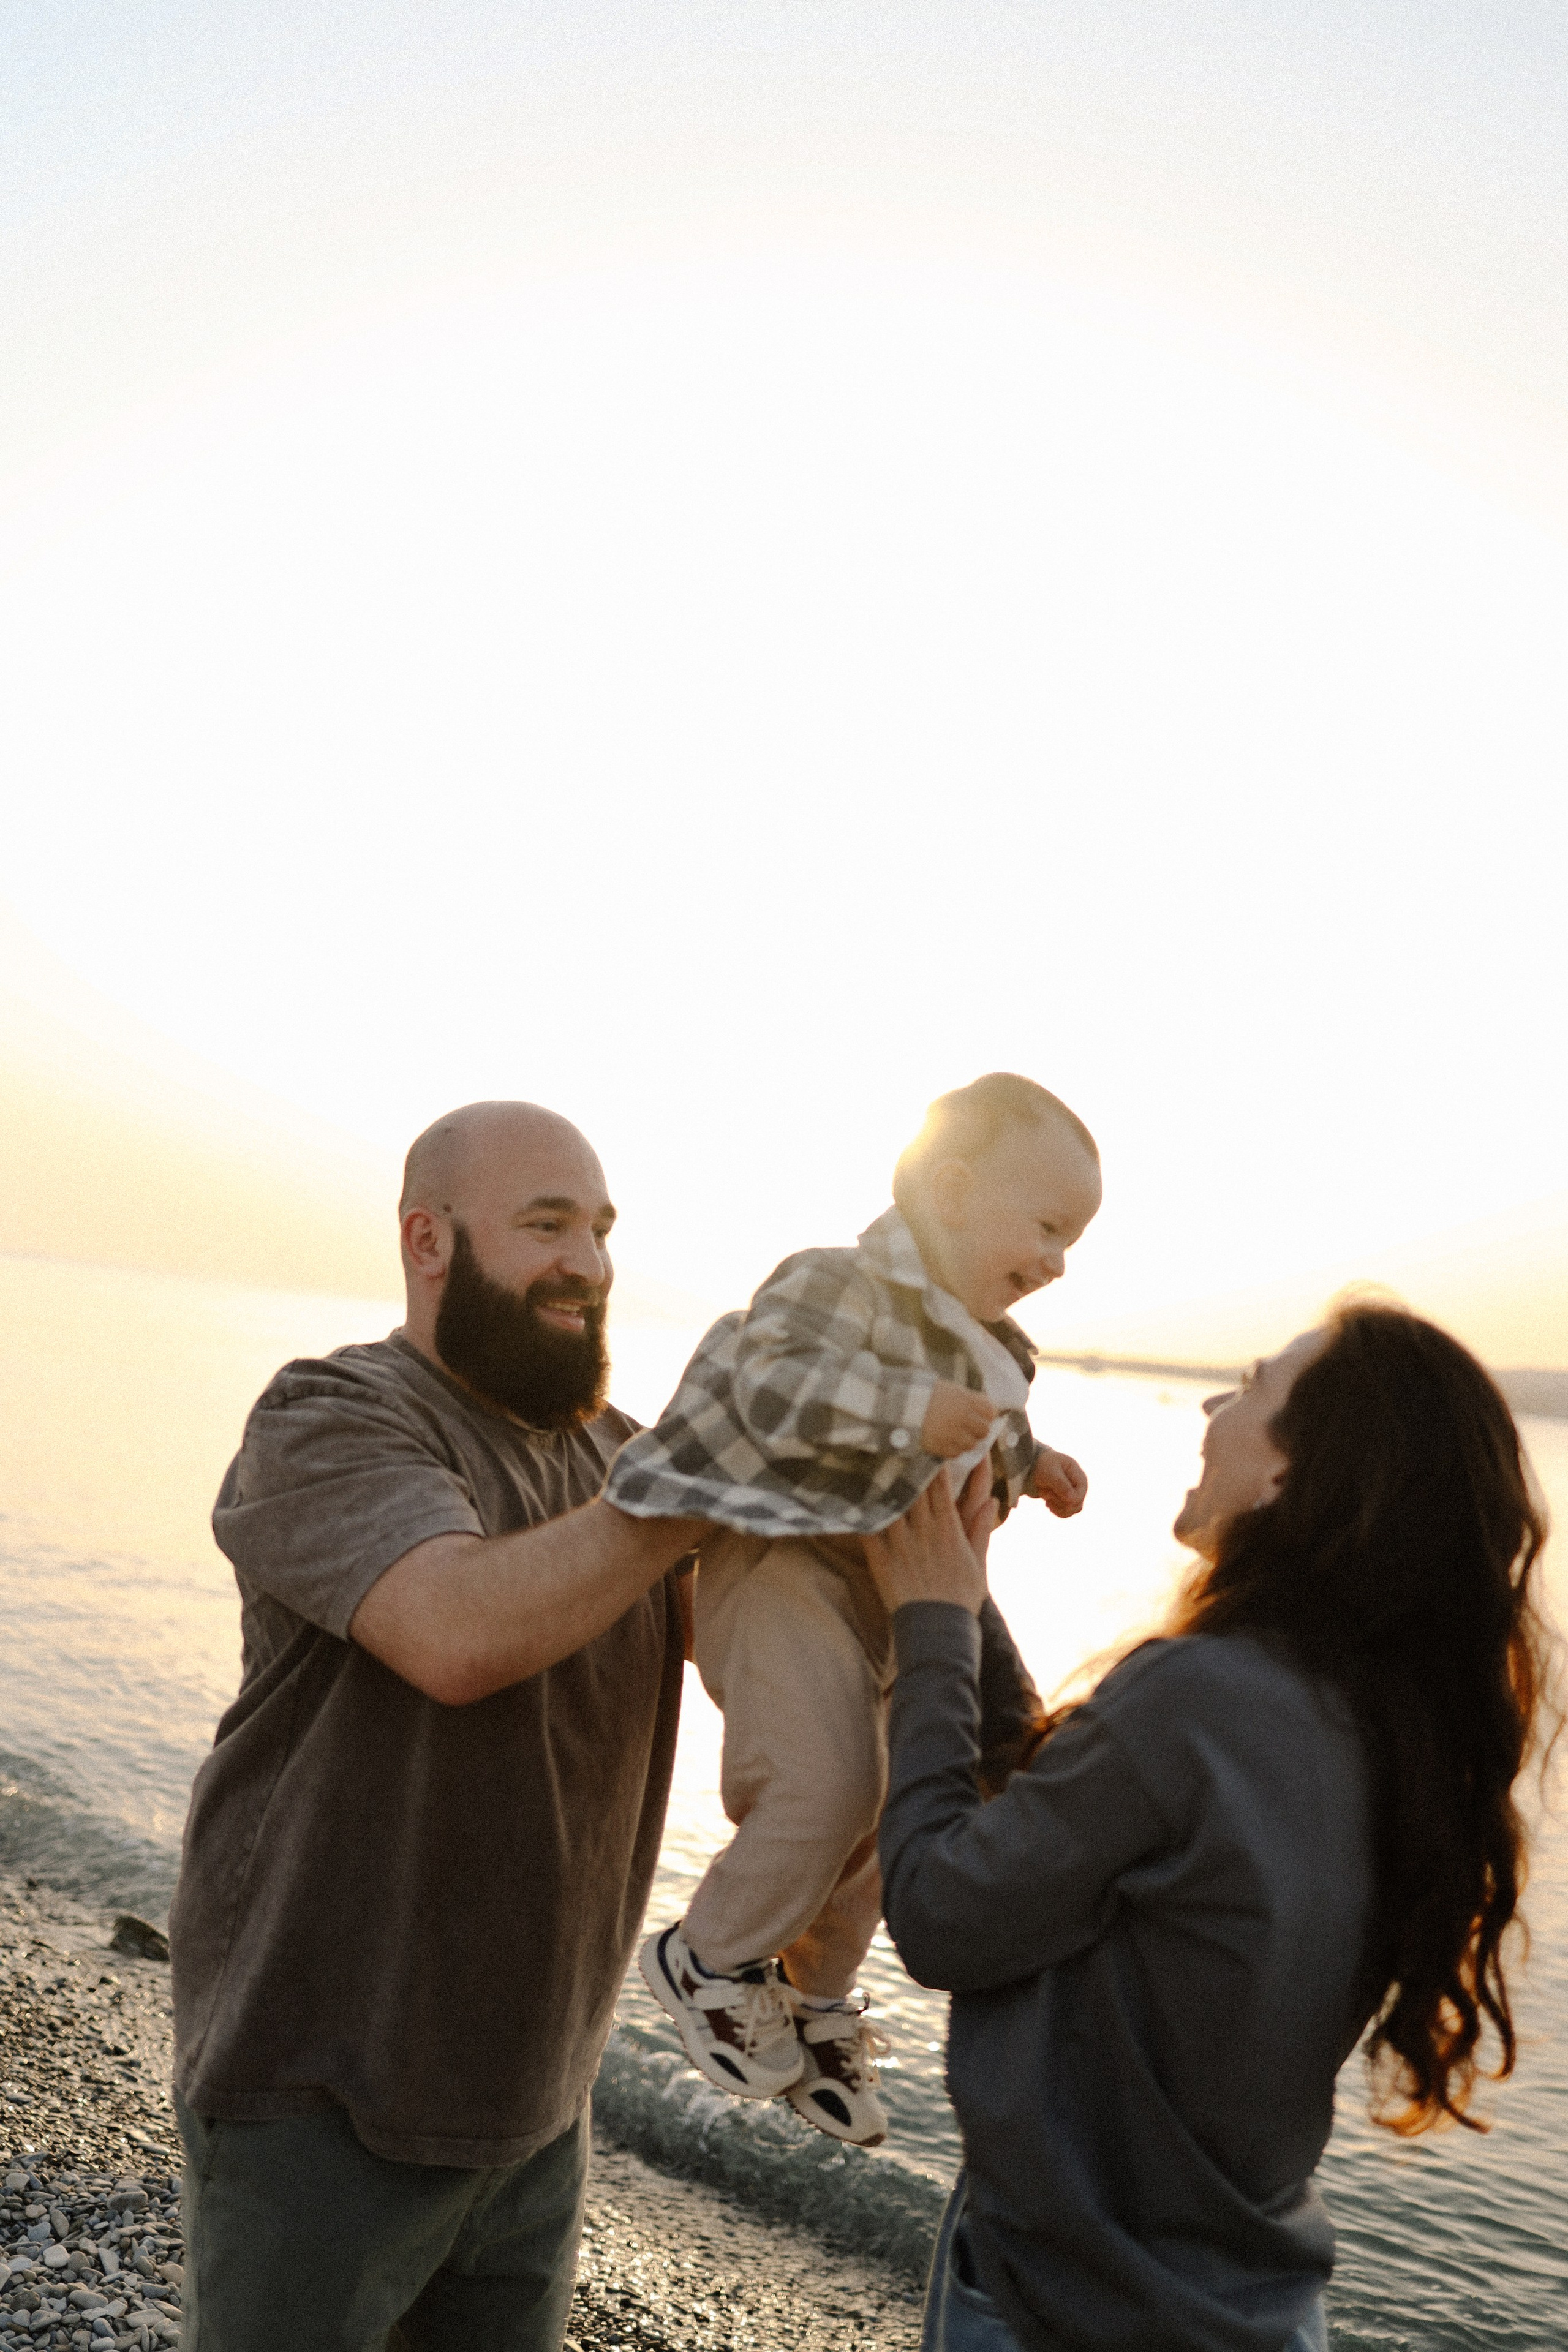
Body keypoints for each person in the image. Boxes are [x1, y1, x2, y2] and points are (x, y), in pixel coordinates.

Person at [865, 1303, 1558, 2352]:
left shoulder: (1195, 1695)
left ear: (1291, 1476)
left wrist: (929, 1637)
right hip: (1253, 2311)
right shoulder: (1392, 1734)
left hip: (1071, 2308)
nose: (1210, 1403)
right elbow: (1071, 1805)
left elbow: (941, 1916)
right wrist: (962, 1606)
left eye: (1252, 1386)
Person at [168, 1101, 705, 2352]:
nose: (589, 1262)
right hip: (320, 2101)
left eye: (601, 1229)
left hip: (533, 2112)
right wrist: (699, 1492)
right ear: (428, 1241)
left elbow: (756, 1662)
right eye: (545, 1224)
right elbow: (453, 1634)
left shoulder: (625, 1466)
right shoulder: (330, 1416)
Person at [606, 1074, 1102, 2146]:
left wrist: (1036, 1461)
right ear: (957, 1189)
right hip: (779, 1563)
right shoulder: (835, 1284)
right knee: (823, 1779)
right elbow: (772, 1386)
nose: (1059, 1262)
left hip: (886, 1592)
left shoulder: (1002, 1349)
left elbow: (987, 1441)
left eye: (1075, 1243)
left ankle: (813, 1998)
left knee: (893, 1806)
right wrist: (913, 1409)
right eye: (1051, 1227)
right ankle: (709, 1954)